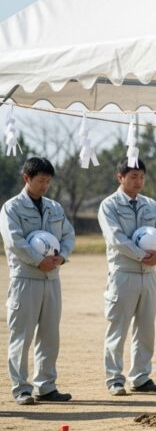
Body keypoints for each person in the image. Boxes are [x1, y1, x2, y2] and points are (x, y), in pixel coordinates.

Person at [0, 158, 75, 405]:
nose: (45, 186)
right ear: (27, 179)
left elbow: (68, 234)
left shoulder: (54, 208)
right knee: (21, 336)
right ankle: (21, 388)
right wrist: (37, 261)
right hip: (25, 279)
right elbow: (15, 241)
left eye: (48, 181)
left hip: (52, 279)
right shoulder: (12, 208)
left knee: (50, 335)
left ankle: (46, 385)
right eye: (41, 180)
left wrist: (62, 257)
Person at [98, 159, 156, 396]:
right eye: (132, 176)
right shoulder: (109, 206)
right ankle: (114, 379)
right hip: (124, 273)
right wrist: (142, 255)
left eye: (141, 176)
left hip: (149, 274)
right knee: (118, 327)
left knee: (146, 328)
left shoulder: (151, 205)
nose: (138, 181)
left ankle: (141, 377)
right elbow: (117, 238)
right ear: (120, 177)